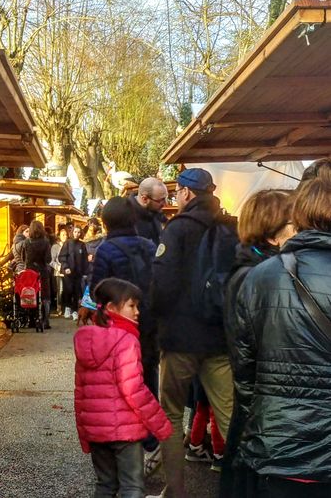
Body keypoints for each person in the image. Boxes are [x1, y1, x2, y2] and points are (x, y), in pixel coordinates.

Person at [225, 181, 331, 498]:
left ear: (298, 217)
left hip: (278, 445)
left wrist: (253, 434)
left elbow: (244, 375)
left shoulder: (260, 277)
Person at [150, 168, 233, 498]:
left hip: (181, 338)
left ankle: (175, 491)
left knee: (170, 413)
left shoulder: (178, 229)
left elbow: (163, 286)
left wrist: (156, 322)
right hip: (220, 338)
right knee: (231, 416)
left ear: (185, 193)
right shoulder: (231, 228)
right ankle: (249, 487)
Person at [220, 189, 294, 497]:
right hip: (259, 409)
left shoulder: (254, 268)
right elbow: (246, 356)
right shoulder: (254, 276)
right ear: (273, 232)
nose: (298, 228)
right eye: (293, 223)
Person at [74, 278, 172, 498]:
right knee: (132, 486)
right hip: (125, 432)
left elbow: (80, 394)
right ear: (111, 308)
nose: (137, 311)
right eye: (131, 305)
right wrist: (160, 425)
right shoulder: (126, 340)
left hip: (97, 431)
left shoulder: (85, 342)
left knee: (106, 485)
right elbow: (134, 390)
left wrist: (84, 432)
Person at [90, 196, 160, 472]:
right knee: (147, 378)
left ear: (106, 221)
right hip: (148, 323)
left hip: (118, 328)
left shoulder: (106, 250)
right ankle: (151, 438)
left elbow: (98, 289)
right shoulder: (150, 246)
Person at [22, 220, 52, 328]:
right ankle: (45, 320)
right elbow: (48, 259)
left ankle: (31, 321)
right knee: (45, 296)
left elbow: (23, 259)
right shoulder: (46, 242)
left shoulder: (27, 242)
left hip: (30, 272)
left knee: (31, 295)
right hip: (42, 271)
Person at [128, 177, 169, 246]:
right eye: (160, 200)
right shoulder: (127, 218)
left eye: (165, 198)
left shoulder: (155, 211)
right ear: (144, 199)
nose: (165, 204)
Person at [59, 225, 88, 320]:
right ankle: (67, 308)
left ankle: (75, 310)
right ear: (72, 232)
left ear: (81, 234)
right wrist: (66, 267)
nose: (77, 234)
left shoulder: (82, 245)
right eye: (75, 232)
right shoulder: (67, 243)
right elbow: (62, 256)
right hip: (68, 272)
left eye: (79, 232)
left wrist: (85, 272)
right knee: (68, 290)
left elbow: (85, 260)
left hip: (78, 273)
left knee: (76, 292)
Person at [50, 227, 68, 314]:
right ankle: (59, 307)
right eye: (63, 235)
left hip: (68, 271)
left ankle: (66, 308)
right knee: (60, 290)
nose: (65, 236)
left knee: (67, 290)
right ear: (59, 236)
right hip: (59, 272)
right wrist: (58, 267)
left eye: (66, 235)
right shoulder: (55, 247)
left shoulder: (69, 245)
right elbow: (51, 261)